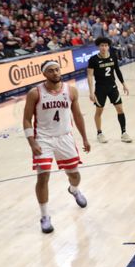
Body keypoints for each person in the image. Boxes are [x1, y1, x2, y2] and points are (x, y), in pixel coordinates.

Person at [22, 60, 91, 233]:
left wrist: (84, 138)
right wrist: (32, 141)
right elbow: (26, 119)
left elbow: (77, 116)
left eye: (57, 69)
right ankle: (45, 216)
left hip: (65, 137)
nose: (55, 73)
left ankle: (74, 189)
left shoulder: (71, 90)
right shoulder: (35, 93)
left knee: (74, 174)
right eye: (51, 71)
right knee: (43, 177)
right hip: (43, 139)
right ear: (44, 74)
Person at [87, 37, 133, 143]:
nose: (104, 47)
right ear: (99, 47)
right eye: (102, 45)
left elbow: (117, 70)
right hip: (100, 89)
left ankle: (124, 133)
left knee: (120, 109)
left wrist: (124, 84)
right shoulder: (93, 59)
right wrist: (91, 92)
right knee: (99, 111)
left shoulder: (113, 56)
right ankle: (99, 133)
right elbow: (89, 76)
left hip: (112, 87)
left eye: (106, 45)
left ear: (108, 46)